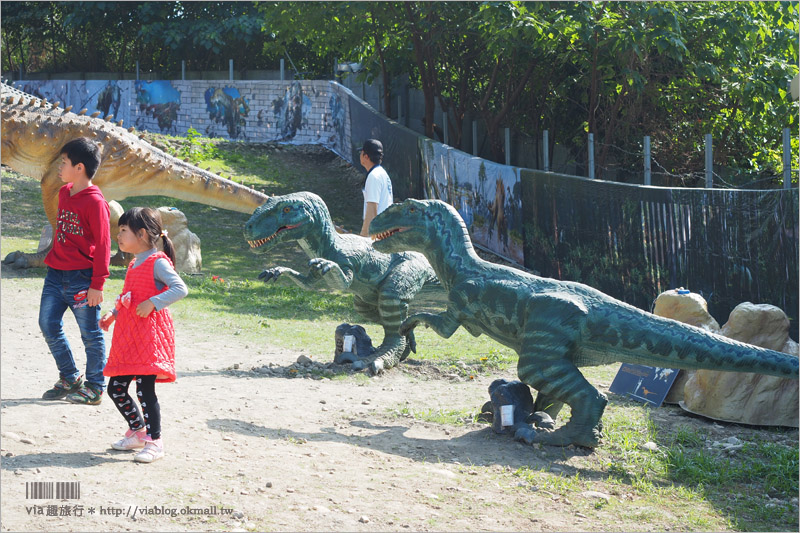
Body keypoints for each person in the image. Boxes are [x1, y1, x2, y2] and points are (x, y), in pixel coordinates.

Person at [99, 207, 188, 463]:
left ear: (141, 234)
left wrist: (154, 302)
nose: (119, 235)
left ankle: (155, 442)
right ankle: (138, 432)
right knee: (116, 388)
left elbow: (180, 288)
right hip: (129, 337)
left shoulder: (157, 262)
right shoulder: (134, 262)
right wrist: (114, 314)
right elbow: (129, 295)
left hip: (149, 337)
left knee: (144, 390)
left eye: (123, 231)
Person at [40, 137, 110, 405]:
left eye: (64, 162)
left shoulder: (95, 202)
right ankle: (70, 377)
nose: (60, 167)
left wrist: (98, 284)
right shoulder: (63, 192)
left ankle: (95, 387)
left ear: (79, 167)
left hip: (83, 279)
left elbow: (104, 244)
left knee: (90, 335)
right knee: (47, 324)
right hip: (55, 274)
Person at [359, 139, 394, 237]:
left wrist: (364, 236)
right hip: (385, 230)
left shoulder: (374, 177)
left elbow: (372, 208)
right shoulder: (382, 173)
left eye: (361, 153)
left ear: (366, 156)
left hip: (377, 234)